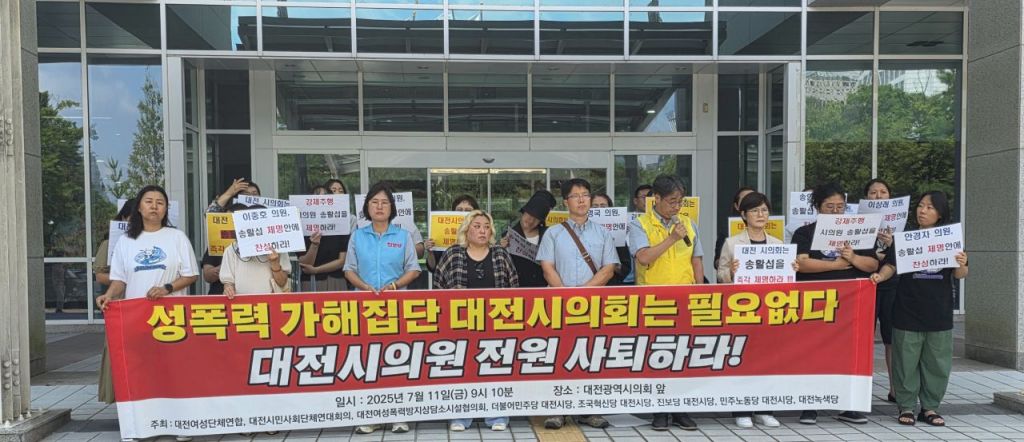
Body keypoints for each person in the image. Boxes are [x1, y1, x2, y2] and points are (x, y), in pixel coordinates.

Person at [96, 185, 198, 442]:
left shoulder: (177, 238)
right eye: (149, 201)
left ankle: (180, 424)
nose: (154, 206)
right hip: (137, 318)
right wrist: (109, 295)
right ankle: (139, 427)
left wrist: (167, 288)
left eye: (160, 202)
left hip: (170, 317)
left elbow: (190, 275)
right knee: (139, 372)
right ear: (139, 208)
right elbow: (119, 280)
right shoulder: (126, 242)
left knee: (172, 370)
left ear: (166, 209)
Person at [870, 191, 967, 427]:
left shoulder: (950, 239)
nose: (922, 211)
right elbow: (891, 266)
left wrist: (962, 263)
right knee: (905, 361)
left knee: (937, 363)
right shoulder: (906, 239)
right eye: (921, 205)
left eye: (929, 207)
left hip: (939, 312)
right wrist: (879, 276)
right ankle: (906, 406)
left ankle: (930, 407)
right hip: (907, 310)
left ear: (940, 213)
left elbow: (960, 274)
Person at [791, 182, 878, 425]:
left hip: (850, 304)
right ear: (818, 207)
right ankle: (809, 405)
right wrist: (836, 265)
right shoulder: (805, 232)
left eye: (840, 206)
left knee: (848, 354)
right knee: (813, 352)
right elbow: (802, 264)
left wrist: (853, 257)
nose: (835, 211)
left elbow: (872, 265)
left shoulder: (857, 230)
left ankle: (849, 405)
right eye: (830, 207)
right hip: (816, 302)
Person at [536, 178, 618, 430]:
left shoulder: (603, 233)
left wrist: (582, 295)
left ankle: (588, 410)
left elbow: (608, 269)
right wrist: (565, 297)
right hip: (558, 305)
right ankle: (557, 410)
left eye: (585, 195)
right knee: (559, 355)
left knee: (590, 355)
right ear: (566, 202)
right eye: (575, 195)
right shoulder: (553, 233)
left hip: (592, 305)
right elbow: (547, 267)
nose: (582, 200)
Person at [344, 182, 422, 434]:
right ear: (367, 207)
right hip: (364, 306)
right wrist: (363, 286)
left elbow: (414, 268)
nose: (379, 207)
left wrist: (396, 285)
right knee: (368, 360)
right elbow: (349, 269)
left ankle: (399, 415)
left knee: (397, 358)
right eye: (374, 202)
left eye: (384, 202)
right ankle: (371, 415)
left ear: (392, 208)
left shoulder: (402, 236)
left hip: (396, 306)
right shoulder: (358, 236)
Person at [627, 174, 701, 431]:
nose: (677, 207)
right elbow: (644, 257)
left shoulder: (688, 223)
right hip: (654, 300)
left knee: (682, 355)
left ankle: (680, 410)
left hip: (685, 299)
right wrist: (671, 238)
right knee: (658, 356)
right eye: (672, 201)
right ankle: (659, 411)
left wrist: (700, 290)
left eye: (680, 201)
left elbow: (696, 259)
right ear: (656, 198)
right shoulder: (639, 225)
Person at [716, 192, 796, 429]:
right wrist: (731, 272)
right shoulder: (732, 243)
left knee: (769, 360)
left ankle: (765, 409)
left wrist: (792, 269)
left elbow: (786, 282)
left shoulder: (778, 245)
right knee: (743, 359)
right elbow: (720, 276)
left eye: (764, 210)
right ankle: (741, 410)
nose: (761, 215)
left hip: (769, 310)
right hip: (742, 310)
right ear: (743, 215)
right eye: (754, 210)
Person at [434, 210, 517, 431]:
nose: (482, 231)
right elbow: (438, 286)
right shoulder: (453, 253)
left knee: (495, 368)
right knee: (461, 369)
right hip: (460, 323)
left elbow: (514, 286)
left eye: (486, 227)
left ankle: (497, 416)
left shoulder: (500, 254)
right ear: (466, 229)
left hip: (495, 323)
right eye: (477, 226)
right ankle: (460, 417)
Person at [93, 197, 135, 404]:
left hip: (145, 302)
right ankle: (117, 395)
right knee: (118, 349)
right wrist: (127, 277)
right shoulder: (110, 243)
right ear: (124, 217)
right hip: (120, 301)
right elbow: (100, 275)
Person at [863, 178, 899, 402]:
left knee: (891, 338)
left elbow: (904, 256)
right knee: (863, 338)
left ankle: (895, 389)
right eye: (873, 192)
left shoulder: (901, 225)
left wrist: (892, 243)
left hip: (892, 286)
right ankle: (860, 389)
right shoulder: (858, 222)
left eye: (883, 192)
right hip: (864, 284)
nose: (878, 196)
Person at [220, 205, 293, 297]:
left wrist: (275, 263)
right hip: (242, 302)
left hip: (272, 301)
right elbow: (228, 282)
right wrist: (228, 288)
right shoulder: (231, 250)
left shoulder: (278, 247)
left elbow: (282, 283)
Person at [298, 180, 351, 291]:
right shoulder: (303, 227)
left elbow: (342, 261)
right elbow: (304, 264)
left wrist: (316, 270)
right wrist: (314, 245)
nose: (321, 201)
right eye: (317, 197)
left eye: (326, 197)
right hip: (311, 283)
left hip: (336, 281)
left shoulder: (341, 224)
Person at [500, 190, 557, 288]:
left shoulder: (548, 235)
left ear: (541, 221)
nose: (531, 220)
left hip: (543, 290)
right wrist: (500, 248)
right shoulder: (508, 235)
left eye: (536, 218)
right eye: (529, 214)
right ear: (523, 212)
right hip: (516, 290)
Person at [200, 203, 248, 295]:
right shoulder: (216, 244)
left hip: (248, 298)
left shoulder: (254, 246)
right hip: (219, 297)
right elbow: (207, 276)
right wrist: (226, 266)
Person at [425, 194, 480, 273]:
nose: (463, 213)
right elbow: (433, 267)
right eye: (459, 210)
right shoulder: (443, 233)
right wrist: (430, 251)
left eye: (468, 210)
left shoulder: (482, 234)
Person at [592, 192, 632, 286]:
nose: (599, 209)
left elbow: (625, 268)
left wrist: (612, 264)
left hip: (611, 286)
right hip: (585, 285)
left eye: (603, 206)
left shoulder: (618, 235)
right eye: (595, 206)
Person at [715, 186, 756, 270]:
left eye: (752, 200)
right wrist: (727, 264)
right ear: (736, 206)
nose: (749, 203)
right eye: (744, 200)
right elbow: (717, 261)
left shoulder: (771, 229)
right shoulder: (728, 228)